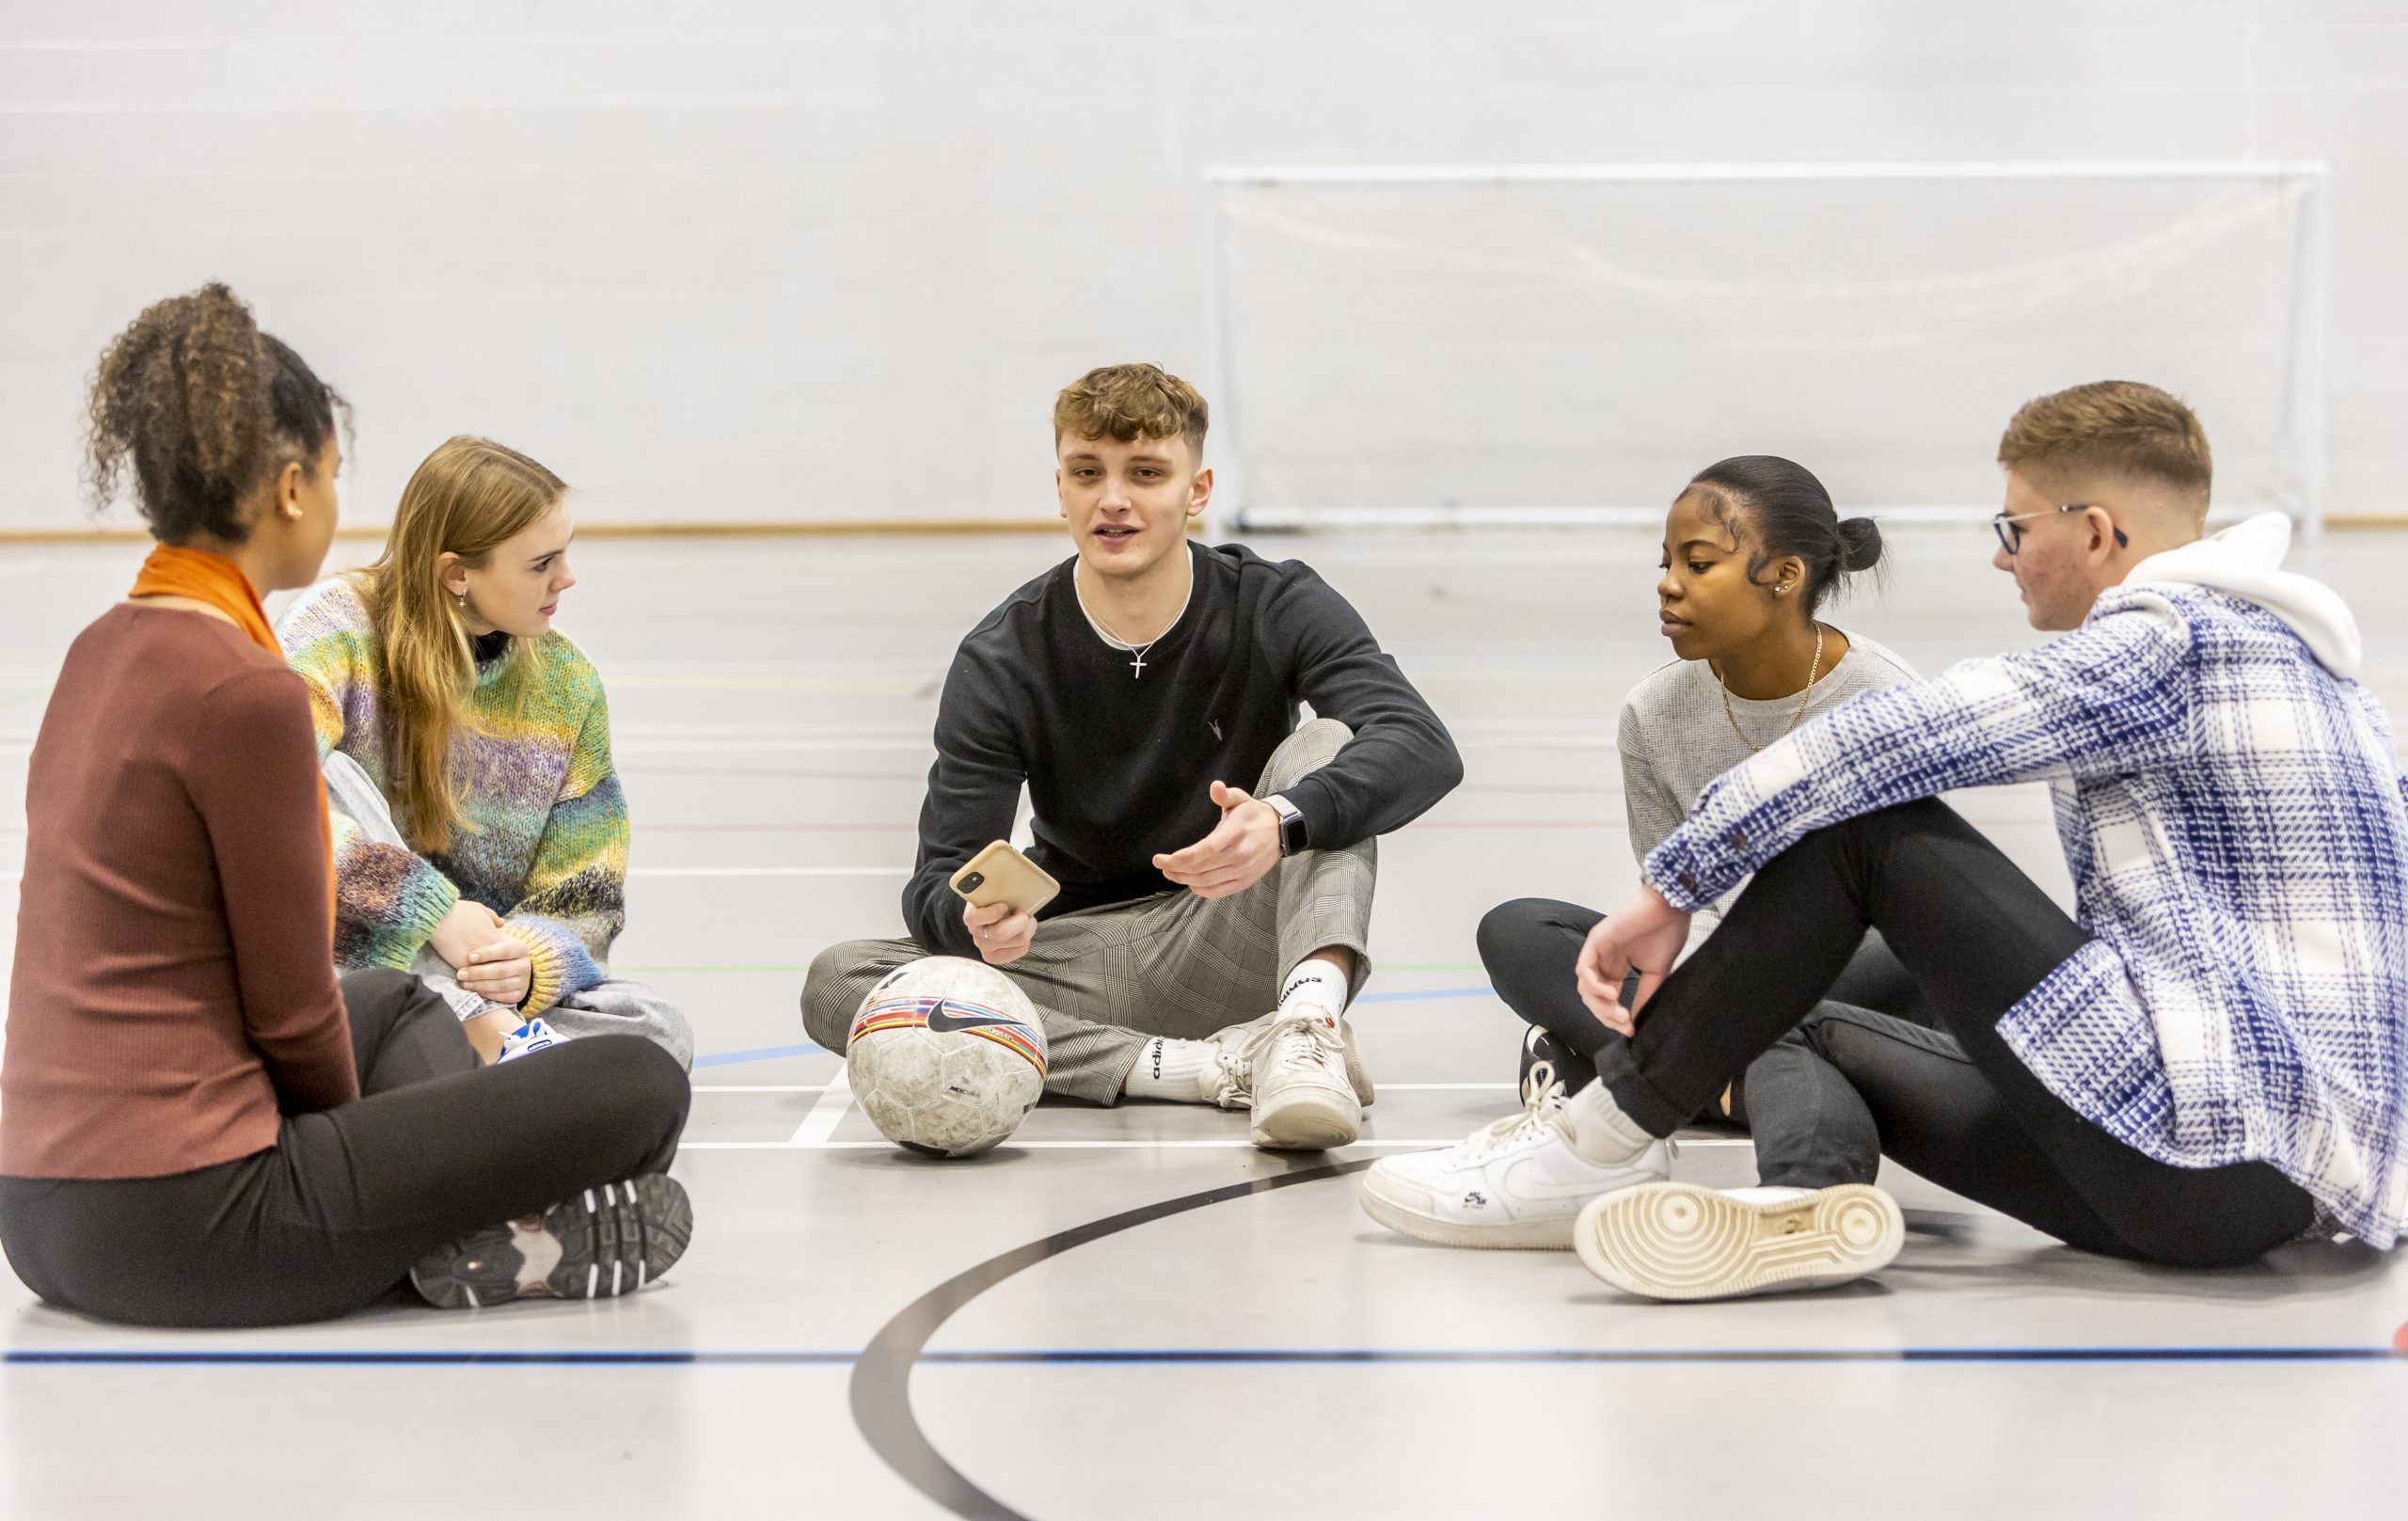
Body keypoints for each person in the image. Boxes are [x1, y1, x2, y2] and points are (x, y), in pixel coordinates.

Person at [1371, 381, 2408, 1302]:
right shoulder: (2337, 692)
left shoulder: (2165, 644)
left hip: (2200, 1154)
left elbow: (1888, 739)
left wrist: (1675, 884)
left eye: (2012, 529)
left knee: (1866, 830)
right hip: (2253, 1197)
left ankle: (1595, 1147)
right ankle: (1804, 1202)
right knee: (1803, 1027)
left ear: (2095, 532)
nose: (1998, 557)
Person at [0, 285, 693, 1327]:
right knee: (640, 1080)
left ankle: (471, 1217)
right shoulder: (247, 691)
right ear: (289, 489)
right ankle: (463, 1241)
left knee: (395, 1003)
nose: (333, 501)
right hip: (192, 1225)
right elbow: (289, 1014)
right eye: (330, 476)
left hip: (43, 1225)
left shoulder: (101, 650)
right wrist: (409, 1167)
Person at [802, 363, 1463, 1149]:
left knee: (1329, 751)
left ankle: (1306, 1029)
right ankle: (1205, 1068)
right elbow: (938, 877)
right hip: (1076, 962)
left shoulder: (1273, 601)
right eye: (1088, 473)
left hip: (1232, 928)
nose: (1112, 499)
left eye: (1145, 473)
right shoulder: (1003, 654)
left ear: (1198, 489)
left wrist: (1279, 822)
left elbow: (1421, 743)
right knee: (840, 980)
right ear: (1061, 488)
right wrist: (975, 921)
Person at [1363, 456, 1924, 1250]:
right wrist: (1723, 992)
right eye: (1665, 563)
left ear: (1785, 575)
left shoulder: (1886, 700)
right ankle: (1749, 1109)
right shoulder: (1655, 712)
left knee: (1811, 1003)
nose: (1668, 584)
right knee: (1519, 931)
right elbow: (1672, 901)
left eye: (1699, 564)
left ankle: (1680, 1091)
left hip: (1855, 967)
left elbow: (1907, 908)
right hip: (1718, 966)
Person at [278, 436, 691, 1068]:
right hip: (342, 964)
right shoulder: (334, 628)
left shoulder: (569, 684)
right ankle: (492, 1052)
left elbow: (587, 893)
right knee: (318, 771)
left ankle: (473, 1048)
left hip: (478, 982)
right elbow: (266, 807)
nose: (567, 577)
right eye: (540, 563)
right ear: (457, 573)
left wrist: (528, 961)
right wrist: (429, 912)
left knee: (658, 1034)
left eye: (565, 553)